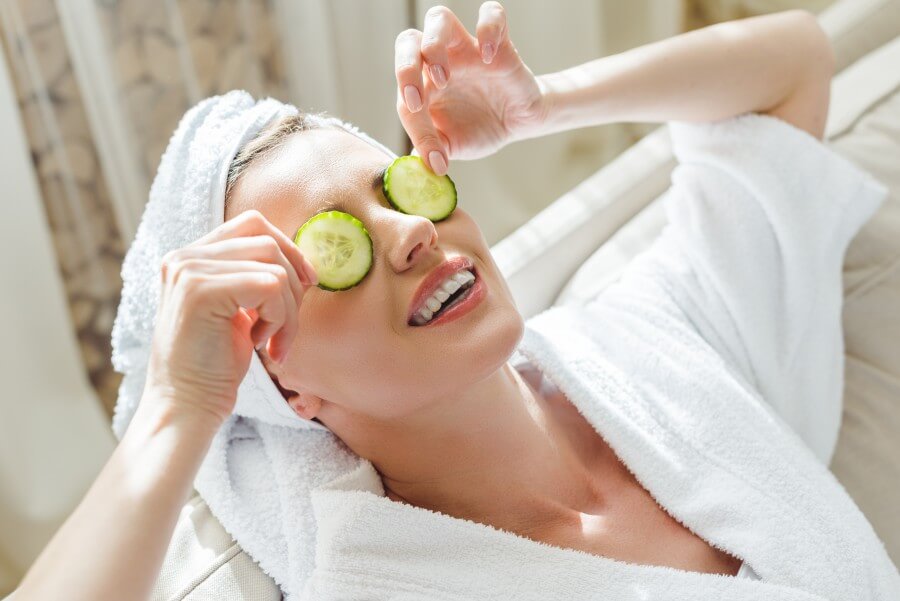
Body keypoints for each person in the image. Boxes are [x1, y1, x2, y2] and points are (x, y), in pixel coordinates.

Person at [11, 2, 873, 599]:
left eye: (398, 185)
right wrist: (178, 405)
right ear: (287, 382)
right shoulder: (388, 579)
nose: (409, 232)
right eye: (333, 246)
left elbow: (792, 64)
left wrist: (542, 107)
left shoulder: (652, 343)